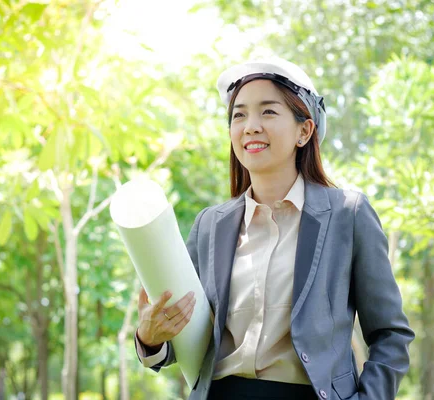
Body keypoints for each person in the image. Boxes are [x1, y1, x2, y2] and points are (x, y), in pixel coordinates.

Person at [133, 57, 414, 400]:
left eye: (268, 112)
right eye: (239, 115)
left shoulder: (347, 215)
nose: (250, 126)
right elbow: (190, 338)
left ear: (304, 131)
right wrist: (151, 338)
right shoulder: (210, 225)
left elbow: (390, 335)